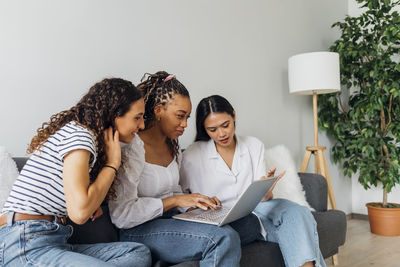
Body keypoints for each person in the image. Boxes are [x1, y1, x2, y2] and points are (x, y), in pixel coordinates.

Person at [0, 78, 151, 267]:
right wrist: (113, 163)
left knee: (136, 252)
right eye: (137, 117)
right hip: (24, 242)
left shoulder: (84, 138)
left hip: (53, 240)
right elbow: (80, 213)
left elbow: (78, 204)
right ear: (114, 114)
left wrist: (90, 198)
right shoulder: (80, 136)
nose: (142, 126)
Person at [108, 71, 241, 267]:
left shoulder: (172, 146)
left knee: (246, 224)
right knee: (222, 238)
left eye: (187, 117)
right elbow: (122, 215)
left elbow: (174, 192)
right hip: (139, 229)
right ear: (158, 110)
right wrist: (176, 200)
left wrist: (195, 204)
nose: (185, 124)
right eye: (180, 116)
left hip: (172, 221)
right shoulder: (131, 148)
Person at [179, 95, 327, 267]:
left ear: (234, 115)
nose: (221, 134)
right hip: (222, 216)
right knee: (302, 232)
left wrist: (266, 188)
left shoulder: (253, 145)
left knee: (297, 212)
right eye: (212, 129)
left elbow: (264, 199)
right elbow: (180, 197)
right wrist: (194, 205)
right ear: (204, 129)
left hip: (257, 209)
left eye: (225, 125)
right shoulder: (192, 155)